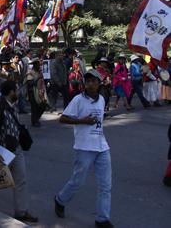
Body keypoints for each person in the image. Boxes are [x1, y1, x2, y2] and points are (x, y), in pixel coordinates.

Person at [55, 69, 113, 228]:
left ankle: (102, 219)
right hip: (84, 147)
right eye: (87, 81)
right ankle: (60, 199)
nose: (90, 83)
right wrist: (82, 121)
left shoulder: (101, 99)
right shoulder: (78, 100)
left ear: (99, 83)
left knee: (105, 185)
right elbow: (63, 119)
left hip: (102, 147)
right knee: (77, 181)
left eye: (93, 80)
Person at [0, 80, 38, 224]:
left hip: (16, 148)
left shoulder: (13, 105)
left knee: (21, 180)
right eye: (16, 90)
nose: (18, 92)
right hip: (4, 150)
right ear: (10, 92)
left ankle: (21, 212)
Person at [25, 57, 48, 127]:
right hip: (32, 92)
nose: (39, 65)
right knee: (34, 108)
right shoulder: (30, 73)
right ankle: (34, 121)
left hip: (40, 92)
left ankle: (36, 119)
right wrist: (38, 77)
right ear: (35, 65)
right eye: (38, 64)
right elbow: (30, 83)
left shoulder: (39, 72)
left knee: (43, 106)